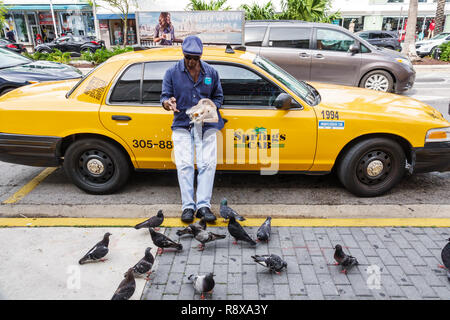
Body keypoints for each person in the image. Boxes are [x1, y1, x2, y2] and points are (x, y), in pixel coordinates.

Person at [160, 36, 224, 223]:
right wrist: (168, 103)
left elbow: (219, 98)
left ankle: (203, 206)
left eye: (194, 58)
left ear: (200, 56)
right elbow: (164, 97)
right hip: (182, 124)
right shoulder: (172, 72)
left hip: (206, 126)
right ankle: (188, 207)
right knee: (185, 166)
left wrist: (209, 106)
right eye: (188, 57)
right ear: (183, 54)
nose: (191, 61)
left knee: (207, 166)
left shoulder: (211, 72)